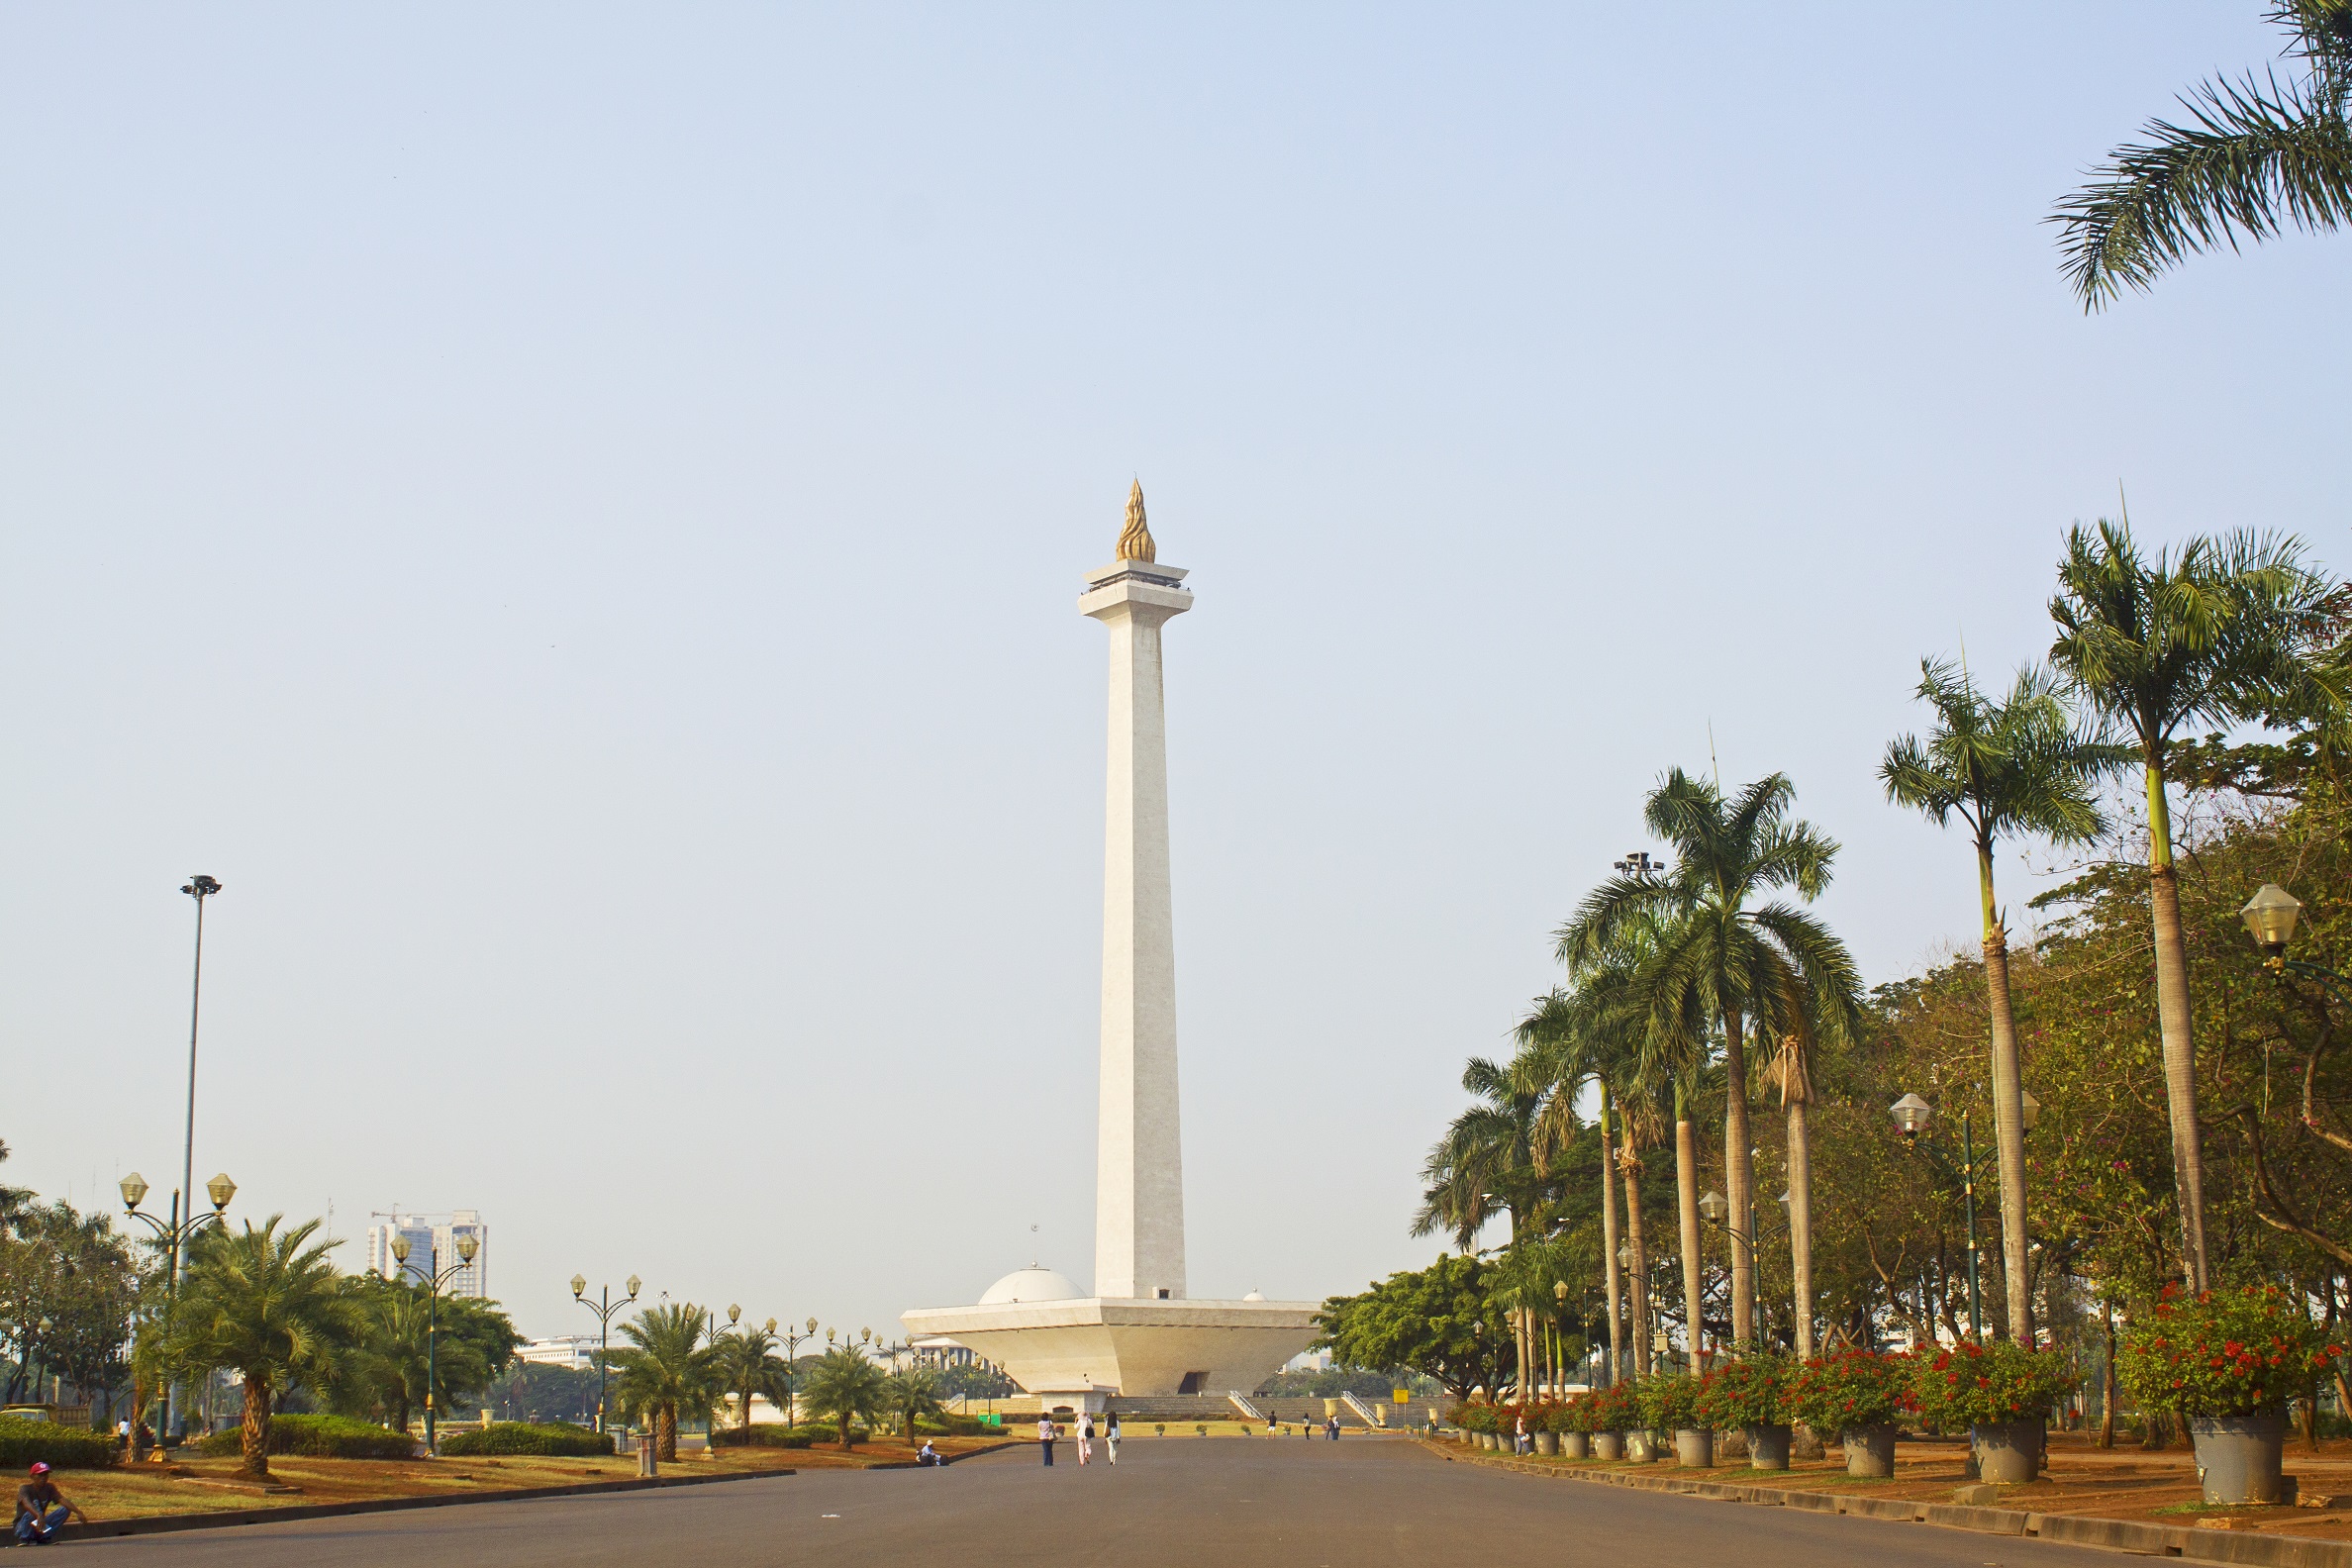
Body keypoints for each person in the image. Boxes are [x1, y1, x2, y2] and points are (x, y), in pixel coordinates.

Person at [14, 1463, 87, 1546]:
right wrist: (38, 1515)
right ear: (32, 1476)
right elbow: (26, 1503)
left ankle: (44, 1537)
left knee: (65, 1509)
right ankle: (24, 1538)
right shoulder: (25, 1488)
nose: (43, 1477)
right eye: (40, 1475)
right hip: (22, 1526)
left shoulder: (49, 1488)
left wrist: (78, 1512)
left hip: (39, 1524)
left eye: (46, 1474)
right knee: (31, 1513)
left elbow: (62, 1499)